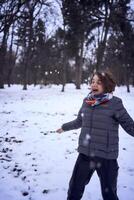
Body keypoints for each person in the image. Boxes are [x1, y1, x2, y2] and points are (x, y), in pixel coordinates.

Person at [56, 71, 134, 200]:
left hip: (107, 157)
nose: (94, 84)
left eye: (99, 82)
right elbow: (79, 122)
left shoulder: (115, 104)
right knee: (74, 190)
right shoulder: (87, 101)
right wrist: (64, 127)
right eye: (92, 81)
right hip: (86, 154)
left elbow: (129, 125)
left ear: (106, 85)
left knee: (109, 194)